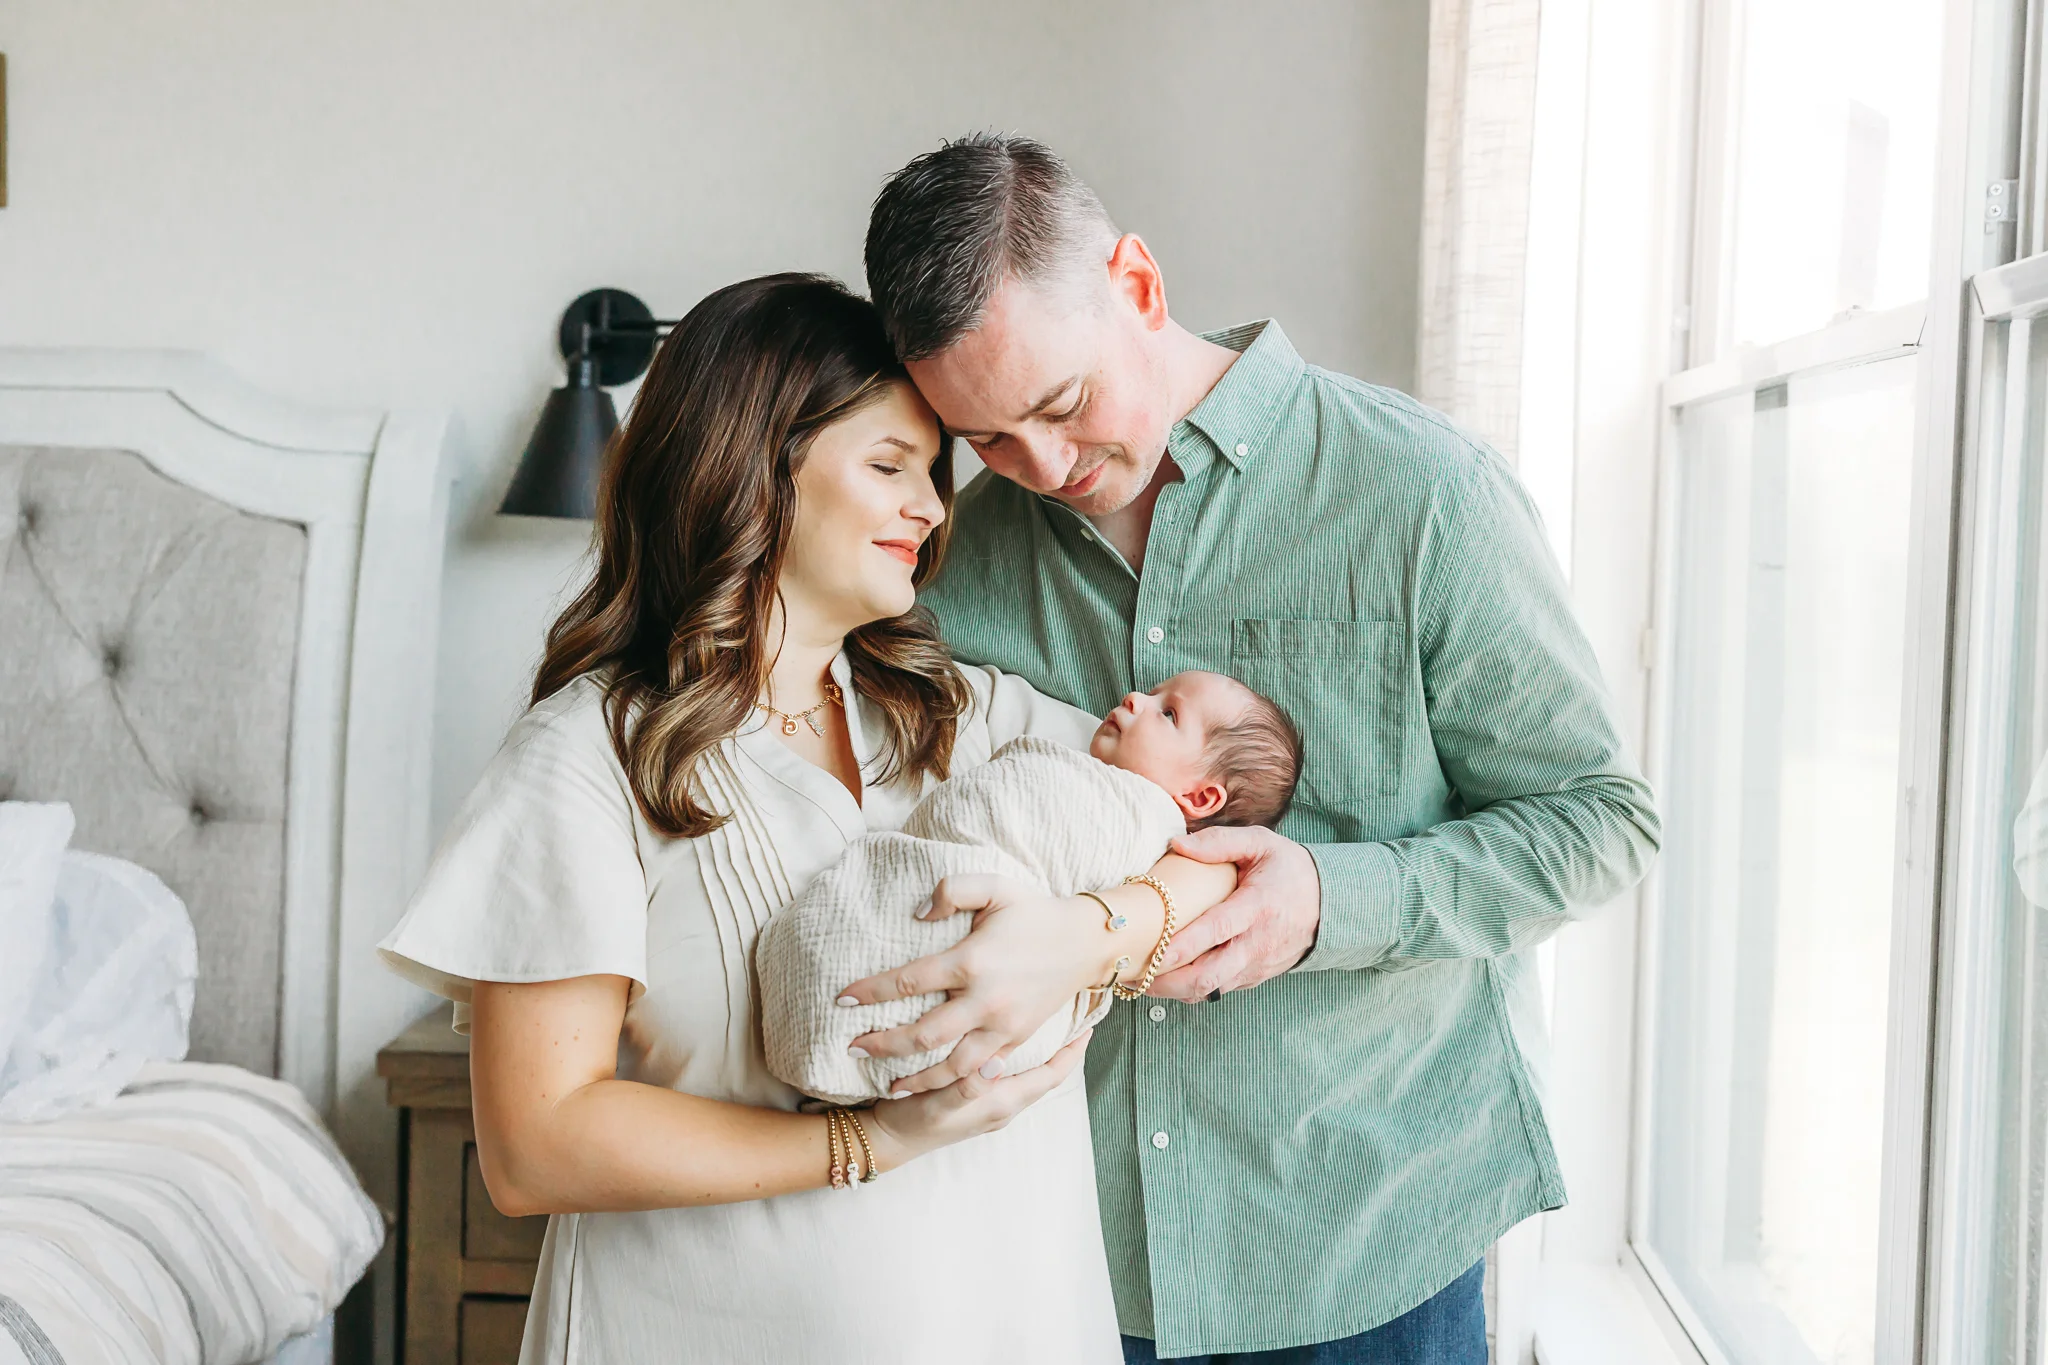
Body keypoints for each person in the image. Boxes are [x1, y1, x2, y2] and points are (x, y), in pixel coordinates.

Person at [843, 135, 1664, 1363]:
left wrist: (1331, 899)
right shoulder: (953, 555)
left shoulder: (1424, 495)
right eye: (991, 440)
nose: (1046, 468)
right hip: (1066, 1261)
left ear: (1137, 284)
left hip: (1363, 1247)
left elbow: (1600, 822)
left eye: (1062, 404)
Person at [375, 273, 1235, 1365]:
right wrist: (865, 1141)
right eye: (888, 467)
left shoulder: (966, 719)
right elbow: (536, 1146)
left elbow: (1221, 858)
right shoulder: (588, 758)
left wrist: (1089, 936)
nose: (930, 508)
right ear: (749, 469)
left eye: (932, 474)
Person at [759, 670, 1303, 1104]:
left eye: (1168, 713)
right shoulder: (1082, 775)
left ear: (1202, 800)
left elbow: (990, 809)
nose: (1135, 698)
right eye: (1153, 691)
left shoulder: (1138, 826)